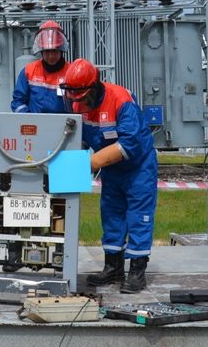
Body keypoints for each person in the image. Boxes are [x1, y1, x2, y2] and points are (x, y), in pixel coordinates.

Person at [61, 58, 158, 293]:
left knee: (138, 216)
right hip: (112, 170)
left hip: (138, 168)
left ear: (93, 89)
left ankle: (137, 270)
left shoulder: (121, 100)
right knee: (111, 215)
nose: (79, 104)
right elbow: (79, 140)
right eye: (75, 100)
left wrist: (88, 164)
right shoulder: (78, 105)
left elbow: (129, 145)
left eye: (83, 99)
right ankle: (113, 268)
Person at [11, 20, 70, 114]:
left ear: (61, 50)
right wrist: (29, 118)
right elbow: (18, 101)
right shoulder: (28, 72)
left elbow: (79, 104)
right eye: (47, 52)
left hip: (65, 126)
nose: (51, 56)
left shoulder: (71, 73)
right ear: (41, 51)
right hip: (35, 126)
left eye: (54, 51)